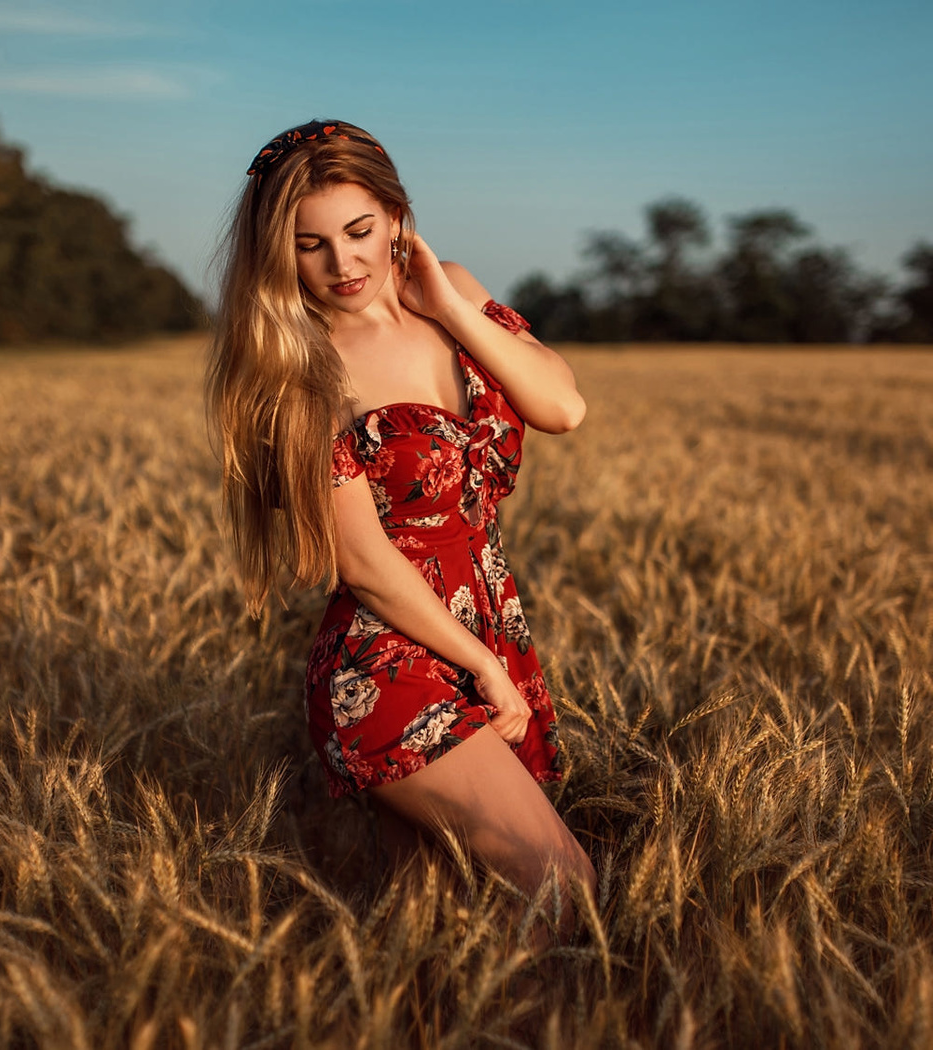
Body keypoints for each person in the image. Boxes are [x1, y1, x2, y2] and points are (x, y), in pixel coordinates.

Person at [205, 119, 596, 934]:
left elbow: (562, 406)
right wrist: (483, 667)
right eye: (310, 244)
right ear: (279, 251)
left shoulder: (452, 292)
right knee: (563, 883)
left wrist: (447, 304)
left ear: (396, 217)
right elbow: (366, 565)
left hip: (484, 630)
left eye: (359, 231)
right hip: (389, 664)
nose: (342, 264)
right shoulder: (297, 368)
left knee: (433, 923)